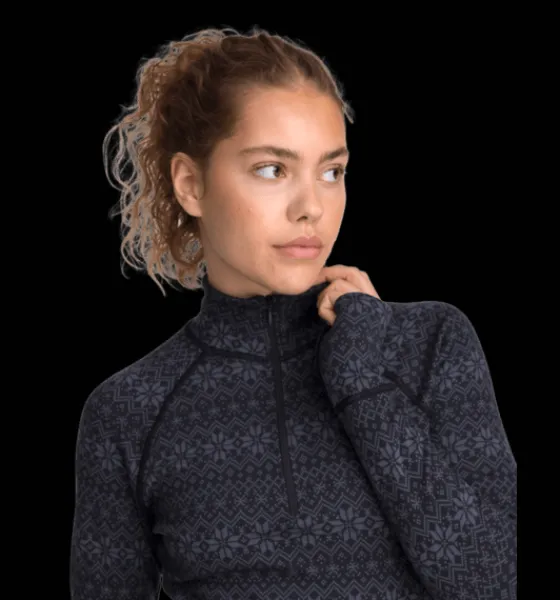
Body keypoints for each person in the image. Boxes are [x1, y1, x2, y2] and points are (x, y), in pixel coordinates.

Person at [70, 25, 517, 600]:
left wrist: (362, 381)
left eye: (332, 172)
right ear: (190, 184)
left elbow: (493, 581)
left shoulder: (429, 344)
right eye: (272, 169)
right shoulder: (129, 412)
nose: (312, 208)